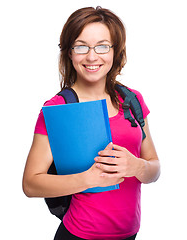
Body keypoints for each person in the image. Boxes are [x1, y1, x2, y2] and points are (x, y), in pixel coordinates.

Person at [22, 6, 160, 240]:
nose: (92, 56)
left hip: (130, 233)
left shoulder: (132, 99)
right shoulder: (57, 108)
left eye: (102, 46)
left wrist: (136, 167)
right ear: (69, 52)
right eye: (81, 46)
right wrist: (87, 179)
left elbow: (154, 168)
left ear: (116, 52)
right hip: (79, 234)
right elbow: (31, 184)